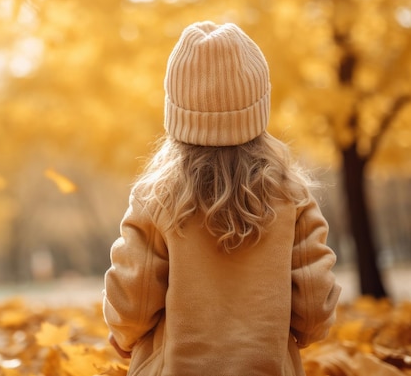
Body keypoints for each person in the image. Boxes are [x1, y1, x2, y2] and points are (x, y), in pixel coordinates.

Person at [102, 21, 341, 376]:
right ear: (259, 106)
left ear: (176, 113)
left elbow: (131, 302)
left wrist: (123, 336)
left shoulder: (157, 198)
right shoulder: (292, 197)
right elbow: (313, 306)